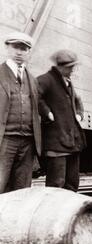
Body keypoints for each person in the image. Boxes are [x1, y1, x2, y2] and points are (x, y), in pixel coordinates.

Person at [38, 50, 86, 192]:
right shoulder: (46, 79)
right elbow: (35, 96)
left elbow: (78, 100)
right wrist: (47, 112)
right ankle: (54, 214)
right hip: (56, 143)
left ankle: (69, 213)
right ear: (61, 66)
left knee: (72, 183)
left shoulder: (67, 82)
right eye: (70, 67)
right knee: (56, 184)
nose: (72, 70)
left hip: (71, 141)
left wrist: (79, 115)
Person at [0, 32, 41, 194]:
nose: (19, 52)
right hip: (5, 140)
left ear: (28, 52)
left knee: (22, 189)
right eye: (16, 47)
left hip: (27, 142)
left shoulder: (32, 79)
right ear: (7, 48)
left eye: (24, 49)